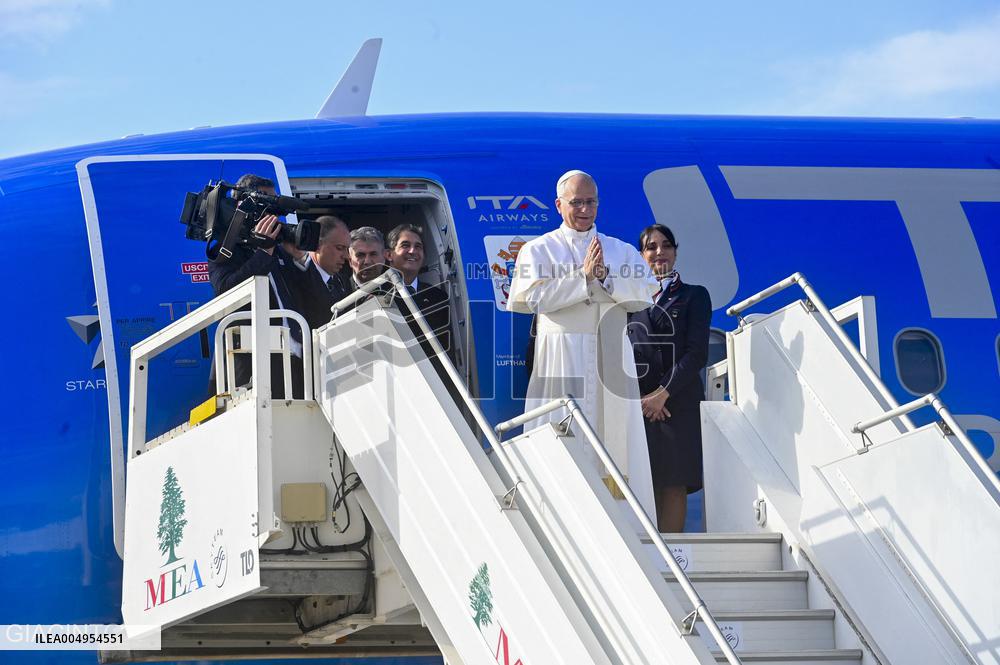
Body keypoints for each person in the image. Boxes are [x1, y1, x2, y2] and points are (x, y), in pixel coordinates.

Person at [508, 170, 659, 516]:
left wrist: (605, 277)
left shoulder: (619, 250)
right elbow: (534, 299)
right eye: (576, 202)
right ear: (559, 205)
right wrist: (583, 278)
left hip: (612, 356)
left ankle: (628, 527)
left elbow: (644, 296)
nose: (584, 209)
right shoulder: (538, 249)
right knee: (562, 435)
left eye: (590, 202)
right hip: (562, 357)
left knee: (619, 451)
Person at [628, 224, 711, 532]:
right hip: (639, 405)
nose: (659, 252)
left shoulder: (695, 296)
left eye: (666, 245)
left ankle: (674, 555)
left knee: (674, 482)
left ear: (676, 252)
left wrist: (663, 393)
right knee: (643, 481)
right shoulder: (628, 301)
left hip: (678, 401)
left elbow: (696, 353)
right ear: (641, 255)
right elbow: (621, 354)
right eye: (651, 247)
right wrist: (642, 398)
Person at [206, 174, 312, 399]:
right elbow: (226, 291)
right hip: (253, 368)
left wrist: (301, 259)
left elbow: (305, 297)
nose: (271, 215)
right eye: (266, 207)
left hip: (294, 363)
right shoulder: (225, 250)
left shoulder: (280, 251)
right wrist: (264, 252)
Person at [385, 223, 454, 365]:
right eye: (405, 245)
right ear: (389, 254)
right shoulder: (376, 295)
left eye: (418, 247)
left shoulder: (438, 297)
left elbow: (447, 349)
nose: (412, 251)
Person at [287, 215, 353, 331]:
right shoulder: (295, 274)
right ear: (317, 245)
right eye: (339, 248)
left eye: (347, 249)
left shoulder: (342, 282)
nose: (346, 256)